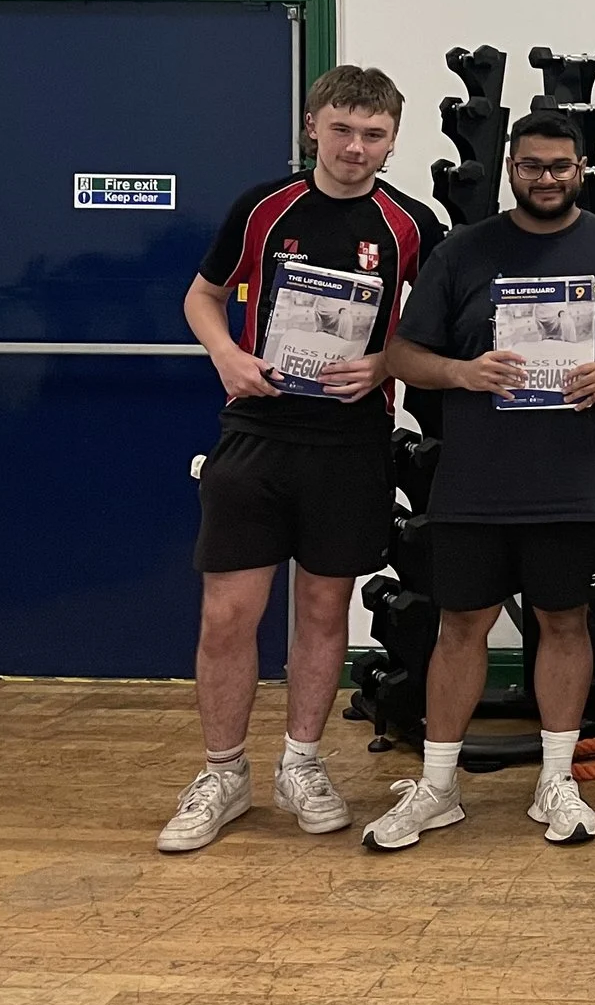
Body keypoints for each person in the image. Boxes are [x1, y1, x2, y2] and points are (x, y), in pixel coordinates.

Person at [365, 110, 595, 850]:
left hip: (573, 480)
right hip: (475, 480)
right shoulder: (463, 251)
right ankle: (439, 785)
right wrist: (461, 372)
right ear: (512, 168)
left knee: (565, 623)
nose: (547, 177)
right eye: (532, 165)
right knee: (461, 626)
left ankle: (555, 780)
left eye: (561, 165)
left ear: (582, 168)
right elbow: (402, 356)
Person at [158, 65, 446, 854]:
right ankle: (223, 773)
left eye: (375, 134)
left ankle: (302, 761)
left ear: (393, 140)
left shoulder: (410, 224)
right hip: (257, 432)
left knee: (323, 612)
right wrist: (224, 355)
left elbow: (436, 331)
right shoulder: (263, 207)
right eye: (343, 129)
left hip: (351, 444)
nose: (357, 147)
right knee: (228, 615)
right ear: (313, 125)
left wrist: (386, 362)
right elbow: (201, 295)